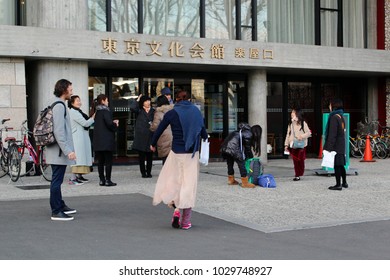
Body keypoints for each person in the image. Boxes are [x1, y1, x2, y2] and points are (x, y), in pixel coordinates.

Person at [150, 90, 208, 230]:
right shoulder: (195, 112)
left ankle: (176, 211)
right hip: (191, 155)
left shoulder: (172, 113)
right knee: (188, 185)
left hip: (175, 153)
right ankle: (186, 221)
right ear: (189, 99)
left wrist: (153, 143)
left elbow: (159, 129)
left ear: (176, 99)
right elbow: (203, 133)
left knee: (175, 182)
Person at [46, 79, 77, 221]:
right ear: (64, 89)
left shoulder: (60, 104)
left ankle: (60, 205)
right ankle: (56, 210)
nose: (72, 91)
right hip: (58, 151)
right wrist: (68, 150)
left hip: (58, 151)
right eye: (70, 89)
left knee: (57, 179)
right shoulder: (59, 105)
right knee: (56, 180)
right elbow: (59, 131)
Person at [220, 123, 262, 188]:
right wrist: (251, 158)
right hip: (233, 147)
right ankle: (245, 182)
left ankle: (231, 180)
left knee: (230, 163)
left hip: (225, 146)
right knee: (241, 163)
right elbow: (248, 149)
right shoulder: (249, 133)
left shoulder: (243, 131)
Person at [68, 95, 95, 185]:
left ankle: (78, 176)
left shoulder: (77, 111)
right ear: (72, 103)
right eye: (77, 101)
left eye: (79, 100)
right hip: (77, 137)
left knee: (80, 156)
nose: (79, 102)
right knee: (77, 158)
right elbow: (85, 123)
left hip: (80, 136)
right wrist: (92, 118)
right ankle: (73, 178)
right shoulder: (74, 112)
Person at [93, 94, 119, 187]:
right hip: (106, 140)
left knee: (100, 162)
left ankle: (101, 180)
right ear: (103, 101)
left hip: (98, 141)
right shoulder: (106, 111)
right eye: (107, 100)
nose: (108, 102)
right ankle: (108, 180)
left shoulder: (96, 112)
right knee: (108, 161)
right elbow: (109, 124)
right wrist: (115, 124)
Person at [323, 98, 348, 191]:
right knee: (341, 164)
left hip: (336, 145)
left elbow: (332, 134)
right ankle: (344, 182)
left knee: (337, 165)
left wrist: (328, 147)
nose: (329, 107)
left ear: (334, 106)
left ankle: (338, 184)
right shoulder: (341, 116)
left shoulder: (334, 117)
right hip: (341, 144)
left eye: (330, 105)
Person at [130, 94, 155, 178]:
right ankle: (143, 172)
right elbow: (132, 108)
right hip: (140, 136)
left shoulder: (153, 111)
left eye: (149, 100)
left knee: (149, 156)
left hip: (150, 135)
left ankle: (149, 172)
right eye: (145, 101)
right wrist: (138, 100)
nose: (148, 102)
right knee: (141, 157)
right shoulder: (139, 110)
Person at [284, 108, 311, 181]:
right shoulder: (290, 123)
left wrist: (301, 136)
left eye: (293, 112)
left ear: (297, 114)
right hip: (293, 144)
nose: (291, 113)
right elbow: (288, 134)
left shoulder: (303, 123)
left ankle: (300, 172)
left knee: (301, 160)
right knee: (295, 161)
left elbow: (309, 133)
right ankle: (297, 175)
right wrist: (286, 144)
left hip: (301, 144)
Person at [149, 95, 174, 165]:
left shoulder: (158, 112)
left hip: (163, 138)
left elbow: (155, 127)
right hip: (174, 136)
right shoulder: (173, 110)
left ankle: (167, 175)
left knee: (166, 161)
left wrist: (150, 126)